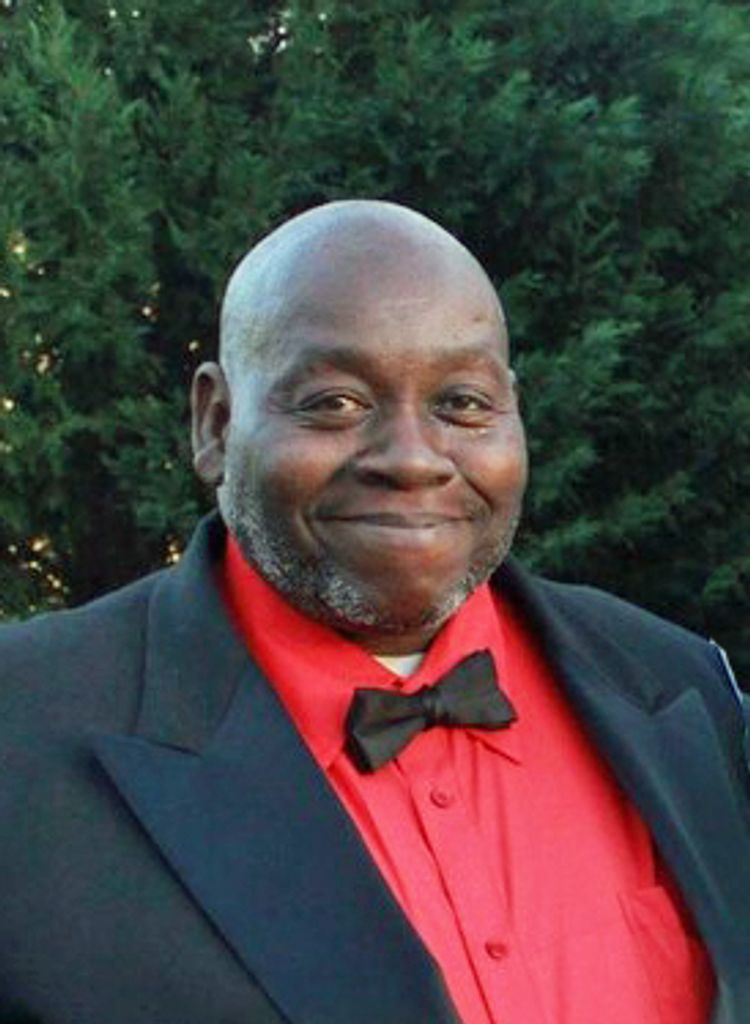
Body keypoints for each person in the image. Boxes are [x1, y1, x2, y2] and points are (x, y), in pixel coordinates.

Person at [1, 200, 748, 1024]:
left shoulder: (686, 692)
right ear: (215, 423)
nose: (412, 459)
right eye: (335, 402)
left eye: (462, 402)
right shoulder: (22, 736)